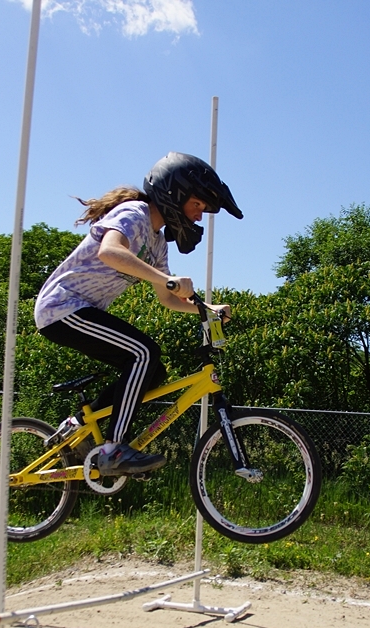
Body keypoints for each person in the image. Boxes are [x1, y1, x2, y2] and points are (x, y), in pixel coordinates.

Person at [34, 152, 243, 476]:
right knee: (143, 352)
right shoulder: (135, 214)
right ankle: (114, 450)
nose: (199, 216)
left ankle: (80, 426)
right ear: (174, 194)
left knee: (153, 371)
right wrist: (168, 279)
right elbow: (110, 251)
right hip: (61, 306)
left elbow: (168, 298)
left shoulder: (158, 244)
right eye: (197, 205)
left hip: (81, 310)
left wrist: (206, 308)